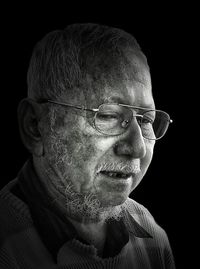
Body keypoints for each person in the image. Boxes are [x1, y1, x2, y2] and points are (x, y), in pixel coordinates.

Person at [0, 23, 175, 268]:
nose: (138, 148)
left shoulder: (151, 238)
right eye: (109, 116)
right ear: (36, 126)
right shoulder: (7, 248)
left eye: (145, 120)